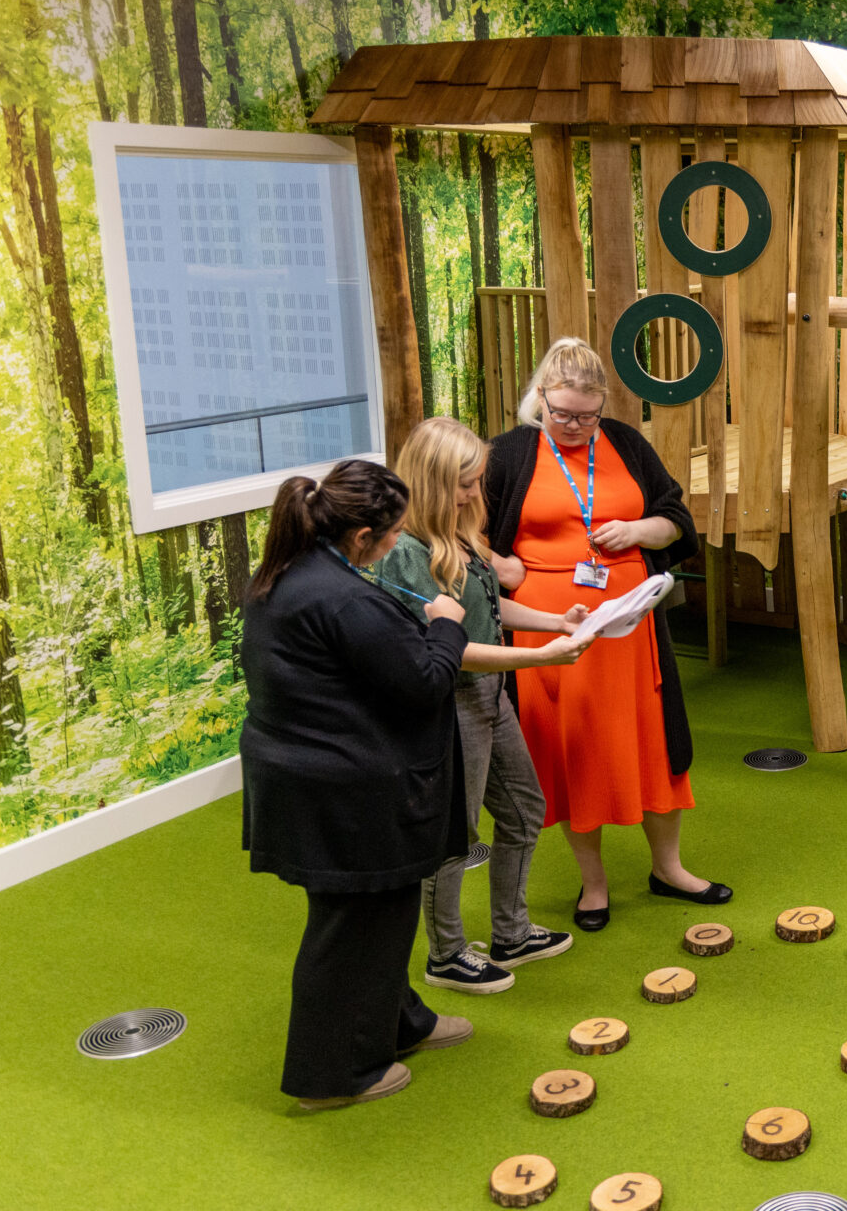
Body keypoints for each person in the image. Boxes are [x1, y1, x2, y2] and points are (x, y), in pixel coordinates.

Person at [240, 460, 471, 1110]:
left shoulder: (295, 572)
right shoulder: (344, 597)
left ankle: (400, 1024)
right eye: (395, 532)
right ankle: (330, 1076)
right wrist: (448, 624)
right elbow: (425, 680)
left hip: (309, 777)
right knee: (350, 925)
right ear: (363, 535)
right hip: (340, 790)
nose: (400, 541)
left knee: (378, 914)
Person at [483, 337, 728, 932]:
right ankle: (593, 886)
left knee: (655, 745)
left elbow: (677, 520)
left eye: (586, 416)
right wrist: (501, 566)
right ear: (539, 397)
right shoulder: (506, 454)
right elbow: (460, 533)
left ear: (603, 407)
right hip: (547, 634)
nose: (573, 425)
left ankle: (668, 869)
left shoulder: (624, 443)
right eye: (562, 413)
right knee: (574, 752)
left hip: (631, 627)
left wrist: (641, 529)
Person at [374, 417, 596, 995]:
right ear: (429, 480)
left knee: (524, 809)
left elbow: (490, 610)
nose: (475, 495)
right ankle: (446, 954)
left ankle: (511, 933)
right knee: (454, 830)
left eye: (476, 481)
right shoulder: (402, 553)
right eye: (464, 484)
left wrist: (557, 622)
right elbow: (451, 651)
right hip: (448, 703)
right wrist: (541, 659)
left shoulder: (462, 532)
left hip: (490, 696)